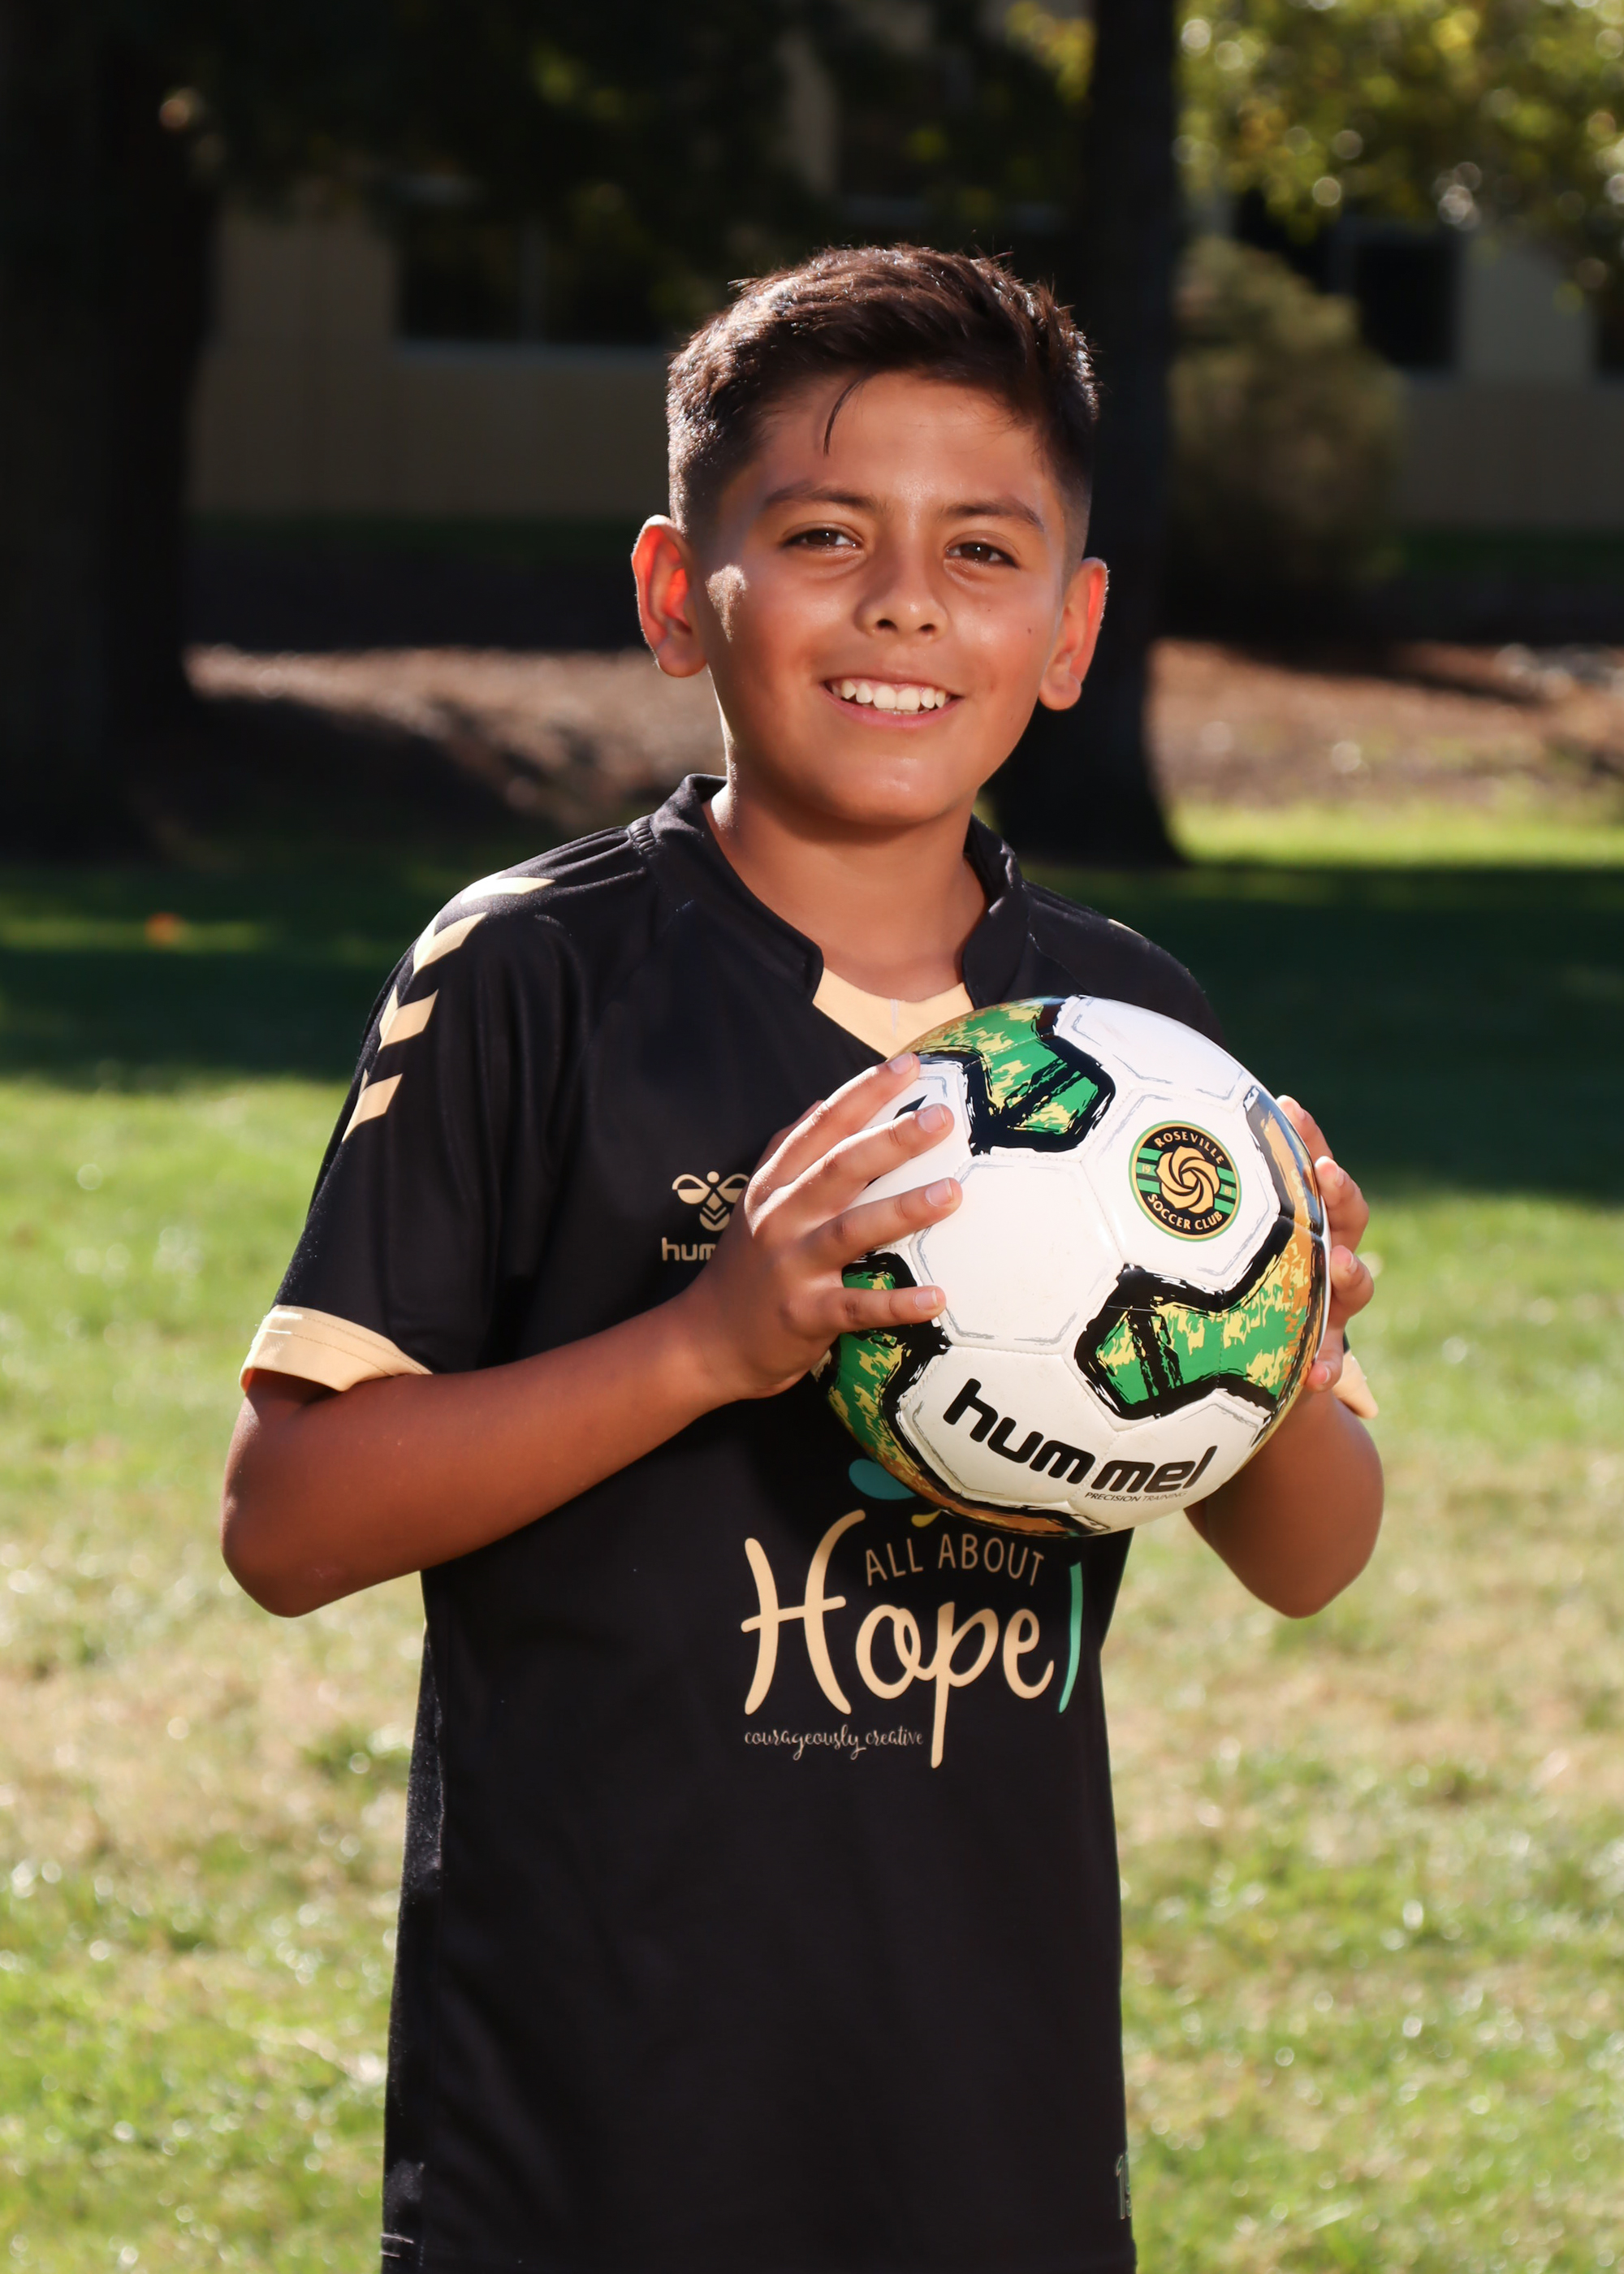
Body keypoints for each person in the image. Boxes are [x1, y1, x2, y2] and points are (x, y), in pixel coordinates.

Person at [222, 246, 1382, 2274]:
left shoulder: (1135, 1047)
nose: (905, 601)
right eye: (827, 533)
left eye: (983, 549)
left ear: (1070, 629)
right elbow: (290, 1519)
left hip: (987, 2115)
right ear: (681, 591)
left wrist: (1271, 1352)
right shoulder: (534, 971)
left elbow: (1310, 1556)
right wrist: (704, 1341)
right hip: (592, 2121)